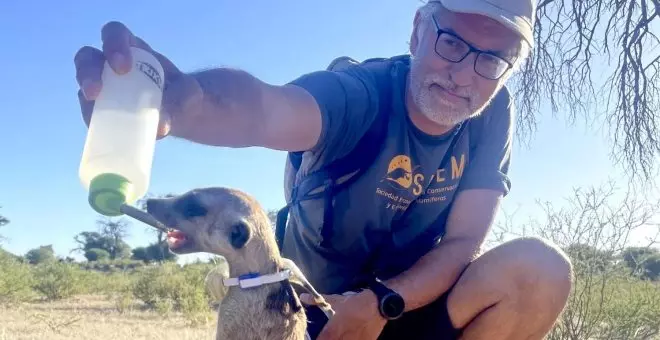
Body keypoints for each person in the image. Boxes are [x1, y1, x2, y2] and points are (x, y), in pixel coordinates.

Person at [74, 0, 573, 339]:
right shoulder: (360, 93)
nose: (466, 73)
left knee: (540, 271)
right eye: (453, 43)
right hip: (309, 313)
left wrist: (382, 303)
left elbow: (465, 243)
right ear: (419, 29)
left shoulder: (491, 110)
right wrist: (191, 103)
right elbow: (265, 109)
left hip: (402, 305)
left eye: (494, 59)